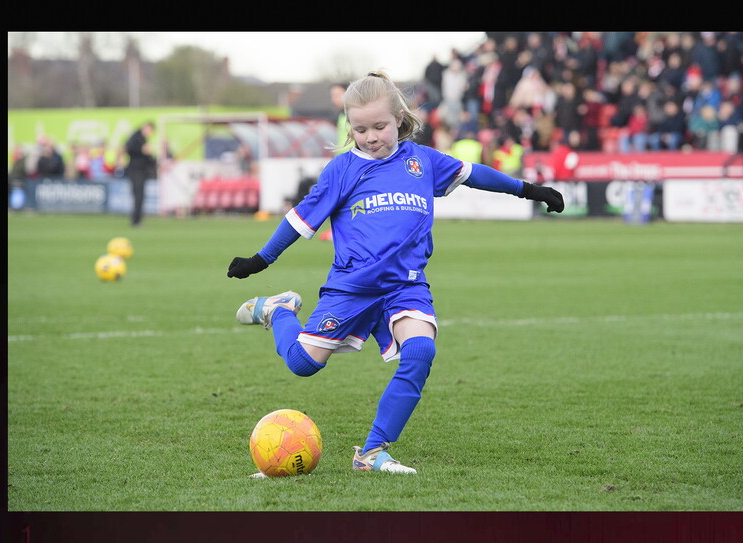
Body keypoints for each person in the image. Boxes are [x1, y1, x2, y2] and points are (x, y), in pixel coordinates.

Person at [227, 71, 564, 476]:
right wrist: (260, 260)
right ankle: (279, 309)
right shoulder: (342, 170)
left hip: (405, 287)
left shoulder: (422, 161)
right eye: (360, 129)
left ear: (400, 119)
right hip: (351, 288)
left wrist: (528, 189)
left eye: (379, 126)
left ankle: (372, 452)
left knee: (421, 351)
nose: (370, 136)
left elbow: (474, 174)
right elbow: (299, 221)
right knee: (302, 364)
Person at [124, 121, 156, 227]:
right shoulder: (136, 137)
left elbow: (147, 157)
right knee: (138, 195)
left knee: (140, 196)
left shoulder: (142, 139)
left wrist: (153, 162)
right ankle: (136, 220)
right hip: (136, 170)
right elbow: (128, 148)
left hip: (141, 171)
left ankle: (137, 219)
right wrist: (142, 150)